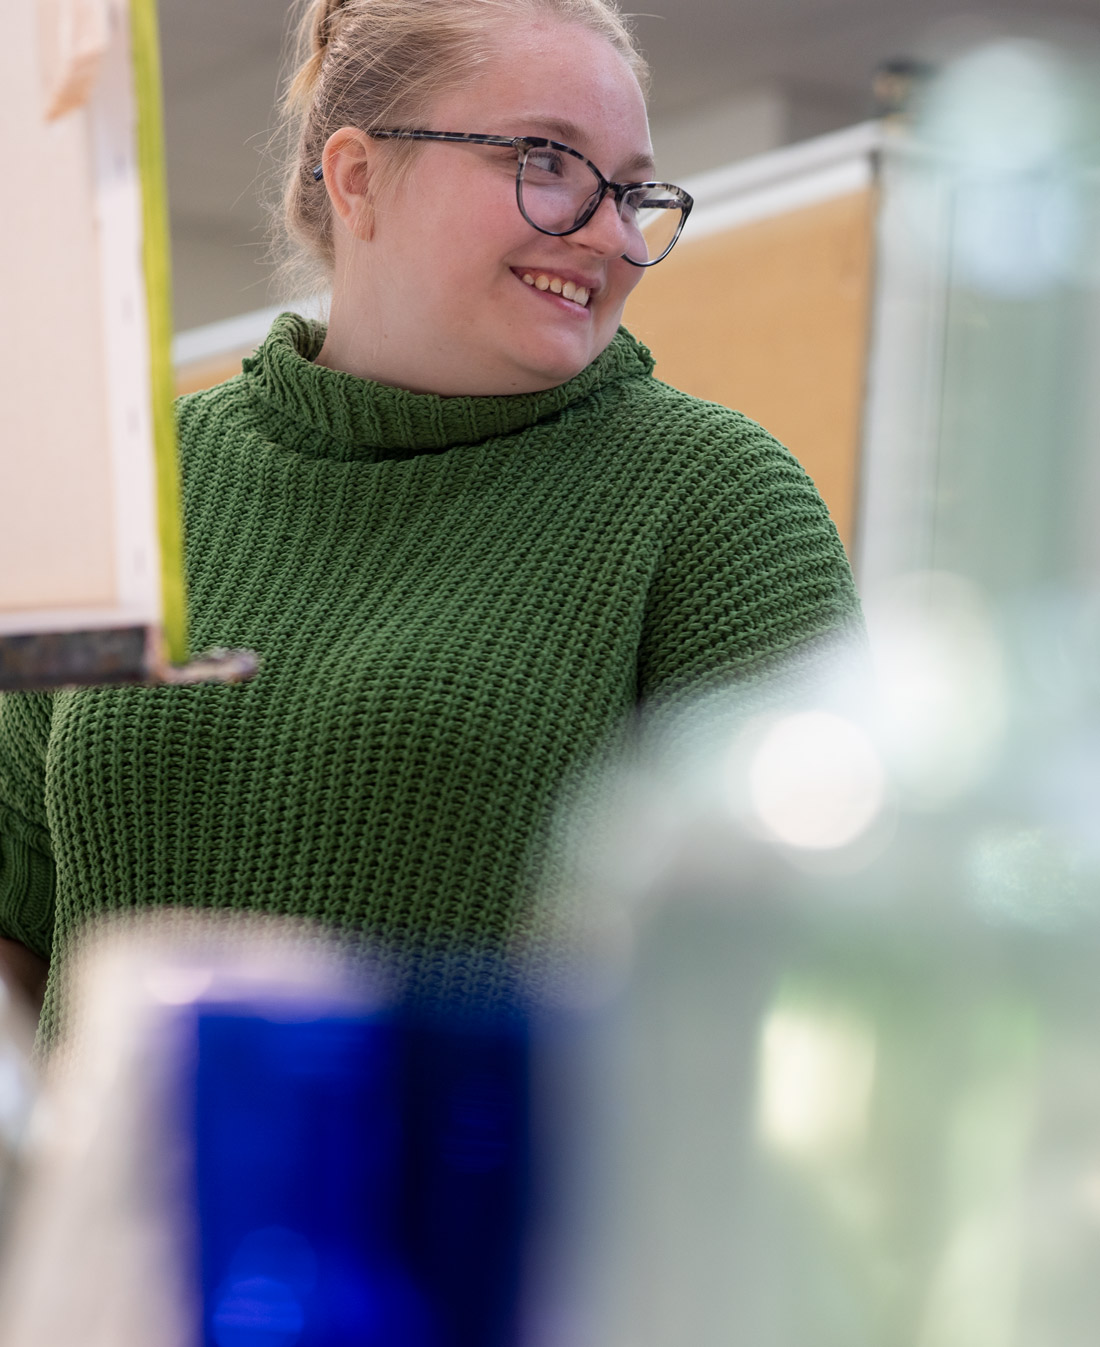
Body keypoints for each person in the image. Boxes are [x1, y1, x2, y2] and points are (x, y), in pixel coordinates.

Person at [0, 0, 861, 1042]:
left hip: (477, 1199)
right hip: (119, 1204)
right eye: (547, 161)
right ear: (358, 176)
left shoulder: (715, 500)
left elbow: (810, 970)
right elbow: (19, 922)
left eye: (632, 191)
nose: (609, 234)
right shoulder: (135, 482)